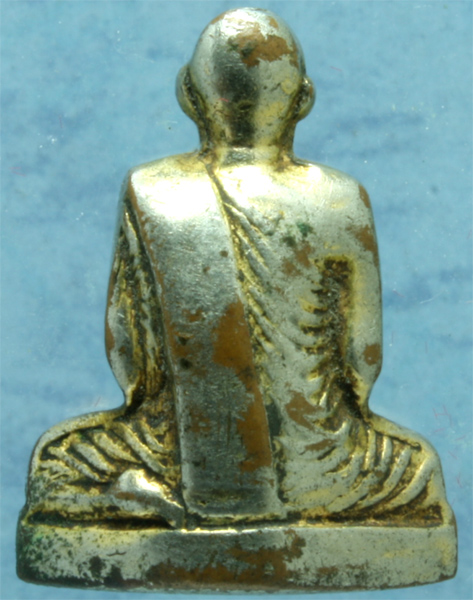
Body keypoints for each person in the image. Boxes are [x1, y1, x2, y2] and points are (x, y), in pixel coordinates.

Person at [22, 7, 451, 529]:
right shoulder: (342, 200)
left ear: (187, 94)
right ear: (304, 99)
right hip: (323, 466)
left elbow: (127, 353)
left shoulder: (151, 191)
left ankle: (148, 494)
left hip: (177, 456)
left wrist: (178, 407)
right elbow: (362, 360)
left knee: (56, 464)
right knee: (419, 471)